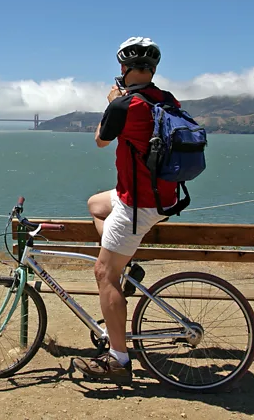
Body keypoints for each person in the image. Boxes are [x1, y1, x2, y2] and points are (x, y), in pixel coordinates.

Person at [70, 37, 182, 384]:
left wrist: (112, 105)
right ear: (152, 70)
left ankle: (118, 359)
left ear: (123, 69)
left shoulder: (125, 105)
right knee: (95, 204)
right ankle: (126, 258)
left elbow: (101, 140)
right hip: (163, 195)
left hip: (140, 205)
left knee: (104, 274)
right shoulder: (165, 99)